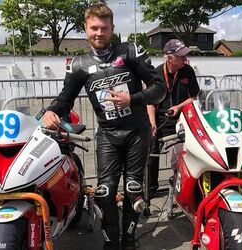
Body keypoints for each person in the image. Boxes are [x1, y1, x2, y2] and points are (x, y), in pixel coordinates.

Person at [43, 3, 165, 250]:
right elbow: (64, 100)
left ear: (112, 29)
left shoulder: (130, 51)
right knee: (104, 192)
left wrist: (133, 99)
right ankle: (111, 242)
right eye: (94, 28)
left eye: (104, 28)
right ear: (85, 28)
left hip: (136, 132)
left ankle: (128, 242)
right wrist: (51, 111)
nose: (99, 33)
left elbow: (159, 88)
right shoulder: (78, 65)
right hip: (108, 134)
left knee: (133, 189)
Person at [147, 39, 200, 197]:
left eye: (185, 55)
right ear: (169, 58)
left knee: (183, 155)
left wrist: (178, 107)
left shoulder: (188, 70)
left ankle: (184, 187)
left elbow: (194, 97)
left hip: (181, 120)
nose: (185, 59)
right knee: (151, 155)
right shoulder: (156, 73)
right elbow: (150, 102)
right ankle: (149, 192)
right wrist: (152, 123)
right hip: (159, 119)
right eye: (181, 56)